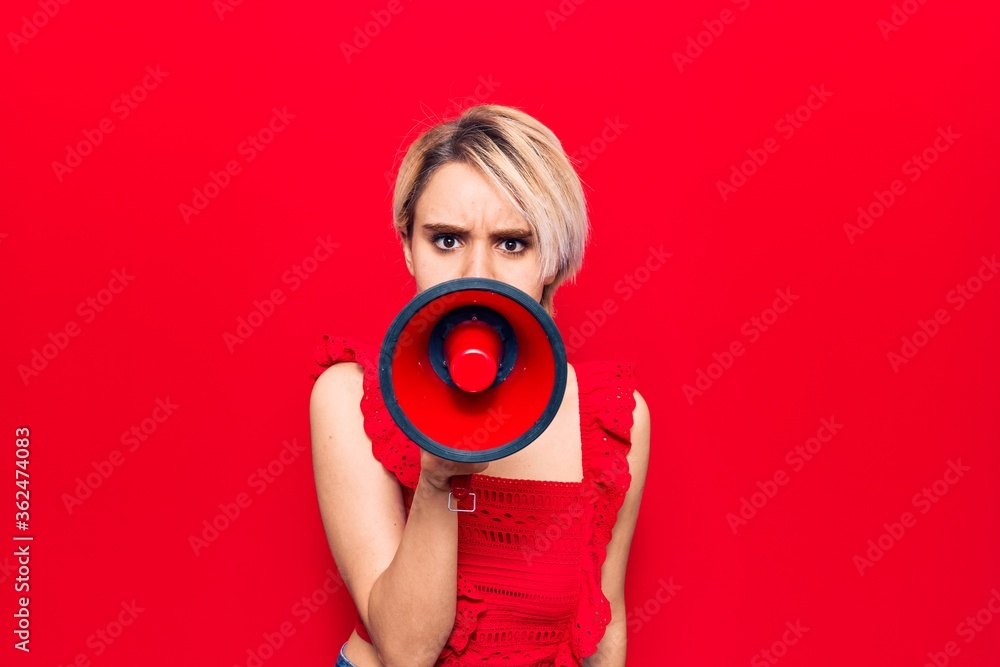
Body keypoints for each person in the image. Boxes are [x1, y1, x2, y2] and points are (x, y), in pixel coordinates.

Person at [309, 104, 650, 667]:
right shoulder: (350, 396)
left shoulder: (613, 417)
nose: (477, 271)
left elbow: (604, 621)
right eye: (446, 239)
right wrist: (439, 474)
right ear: (407, 246)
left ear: (553, 258)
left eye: (513, 243)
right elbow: (408, 653)